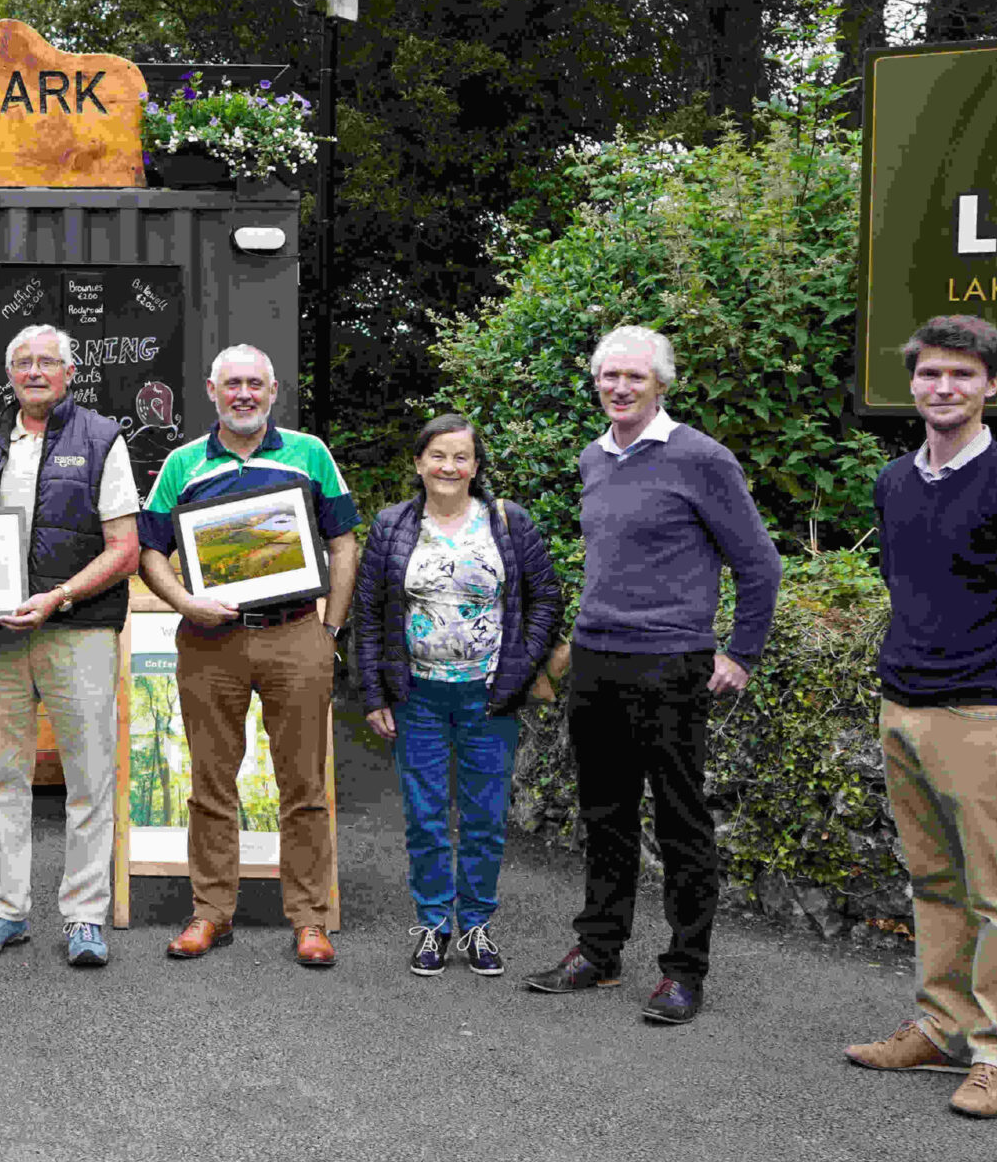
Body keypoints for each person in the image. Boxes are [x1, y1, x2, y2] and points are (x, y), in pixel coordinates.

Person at [844, 315, 997, 1119]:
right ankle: (944, 1026)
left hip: (986, 713)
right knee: (934, 882)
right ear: (913, 384)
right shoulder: (894, 482)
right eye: (931, 374)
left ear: (992, 386)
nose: (943, 388)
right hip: (902, 707)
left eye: (962, 375)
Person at [522, 325, 780, 1025]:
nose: (620, 388)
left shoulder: (702, 458)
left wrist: (743, 653)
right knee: (604, 815)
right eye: (609, 376)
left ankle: (684, 971)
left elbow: (759, 565)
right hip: (598, 659)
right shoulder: (594, 458)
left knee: (680, 819)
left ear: (661, 383)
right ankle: (598, 952)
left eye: (635, 377)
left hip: (672, 662)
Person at [137, 345, 359, 967]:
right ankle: (210, 913)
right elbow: (150, 550)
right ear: (211, 390)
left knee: (305, 784)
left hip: (296, 635)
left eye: (254, 384)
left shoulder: (309, 453)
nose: (243, 394)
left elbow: (343, 543)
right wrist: (185, 601)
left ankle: (310, 918)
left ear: (273, 390)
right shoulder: (183, 463)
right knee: (209, 783)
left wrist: (330, 630)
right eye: (232, 383)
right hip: (210, 641)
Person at [0, 326, 140, 968]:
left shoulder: (102, 438)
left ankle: (85, 915)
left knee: (89, 777)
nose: (35, 372)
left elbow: (125, 548)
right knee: (2, 776)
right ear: (10, 374)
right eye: (23, 363)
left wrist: (57, 597)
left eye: (47, 363)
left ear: (68, 372)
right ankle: (4, 911)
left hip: (77, 630)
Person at [354, 415, 560, 978]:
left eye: (461, 457)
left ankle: (476, 925)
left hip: (489, 695)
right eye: (438, 456)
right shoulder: (393, 526)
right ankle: (433, 924)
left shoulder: (507, 523)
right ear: (419, 463)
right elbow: (368, 614)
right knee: (424, 817)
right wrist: (374, 693)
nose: (449, 467)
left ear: (476, 466)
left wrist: (518, 668)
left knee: (486, 816)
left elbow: (545, 598)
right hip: (416, 693)